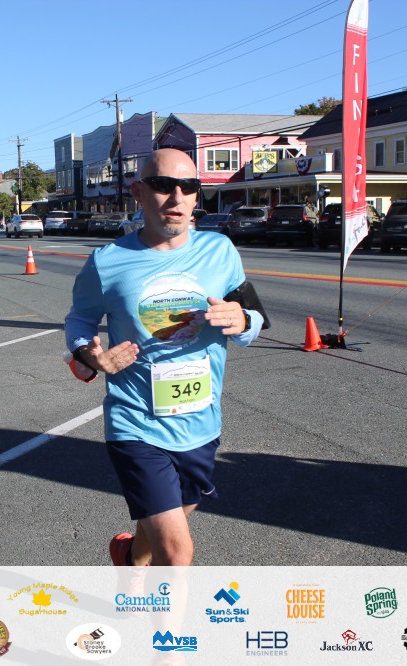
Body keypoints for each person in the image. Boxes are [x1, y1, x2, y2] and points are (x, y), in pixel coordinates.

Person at [64, 148, 263, 567]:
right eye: (163, 185)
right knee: (177, 552)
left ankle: (129, 557)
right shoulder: (107, 262)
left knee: (169, 521)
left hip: (200, 421)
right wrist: (91, 356)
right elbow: (80, 318)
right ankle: (158, 612)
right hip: (136, 422)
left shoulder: (221, 251)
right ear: (138, 192)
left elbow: (253, 313)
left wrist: (243, 319)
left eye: (188, 187)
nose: (177, 198)